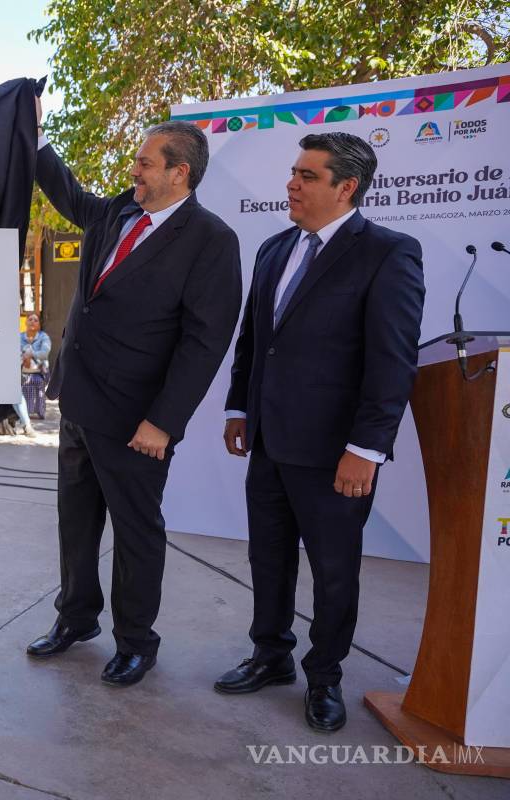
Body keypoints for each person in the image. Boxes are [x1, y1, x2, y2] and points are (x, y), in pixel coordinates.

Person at [24, 108, 242, 689]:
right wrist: (36, 135)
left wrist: (163, 422)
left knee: (136, 532)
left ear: (181, 173)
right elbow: (69, 192)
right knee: (76, 521)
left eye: (146, 163)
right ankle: (75, 619)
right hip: (78, 402)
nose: (135, 170)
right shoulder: (119, 210)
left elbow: (205, 341)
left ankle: (136, 643)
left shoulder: (211, 240)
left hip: (137, 420)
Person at [216, 133, 424, 732]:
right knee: (268, 557)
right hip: (270, 444)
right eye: (293, 172)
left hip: (338, 455)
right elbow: (256, 342)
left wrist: (366, 450)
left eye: (307, 175)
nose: (291, 184)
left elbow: (392, 362)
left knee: (334, 571)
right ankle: (270, 655)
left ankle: (325, 677)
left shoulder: (388, 252)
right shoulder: (274, 248)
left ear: (346, 187)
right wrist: (238, 408)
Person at [20, 312, 51, 418]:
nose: (32, 322)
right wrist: (24, 357)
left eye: (36, 320)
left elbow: (44, 353)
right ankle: (23, 412)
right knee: (22, 381)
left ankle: (40, 411)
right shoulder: (19, 337)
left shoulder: (43, 337)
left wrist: (31, 354)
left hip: (39, 371)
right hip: (22, 370)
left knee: (37, 380)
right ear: (25, 322)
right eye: (30, 319)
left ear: (39, 325)